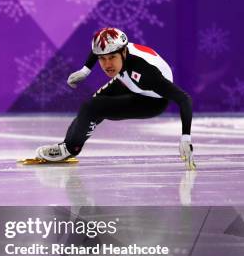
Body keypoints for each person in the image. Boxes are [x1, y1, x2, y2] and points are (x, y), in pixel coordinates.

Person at [36, 27, 196, 170]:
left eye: (112, 57)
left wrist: (185, 138)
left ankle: (70, 149)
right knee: (91, 106)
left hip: (151, 100)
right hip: (128, 80)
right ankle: (67, 145)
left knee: (92, 106)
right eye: (102, 59)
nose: (107, 64)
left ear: (124, 52)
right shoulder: (116, 51)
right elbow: (97, 50)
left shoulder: (147, 73)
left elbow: (184, 99)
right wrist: (85, 70)